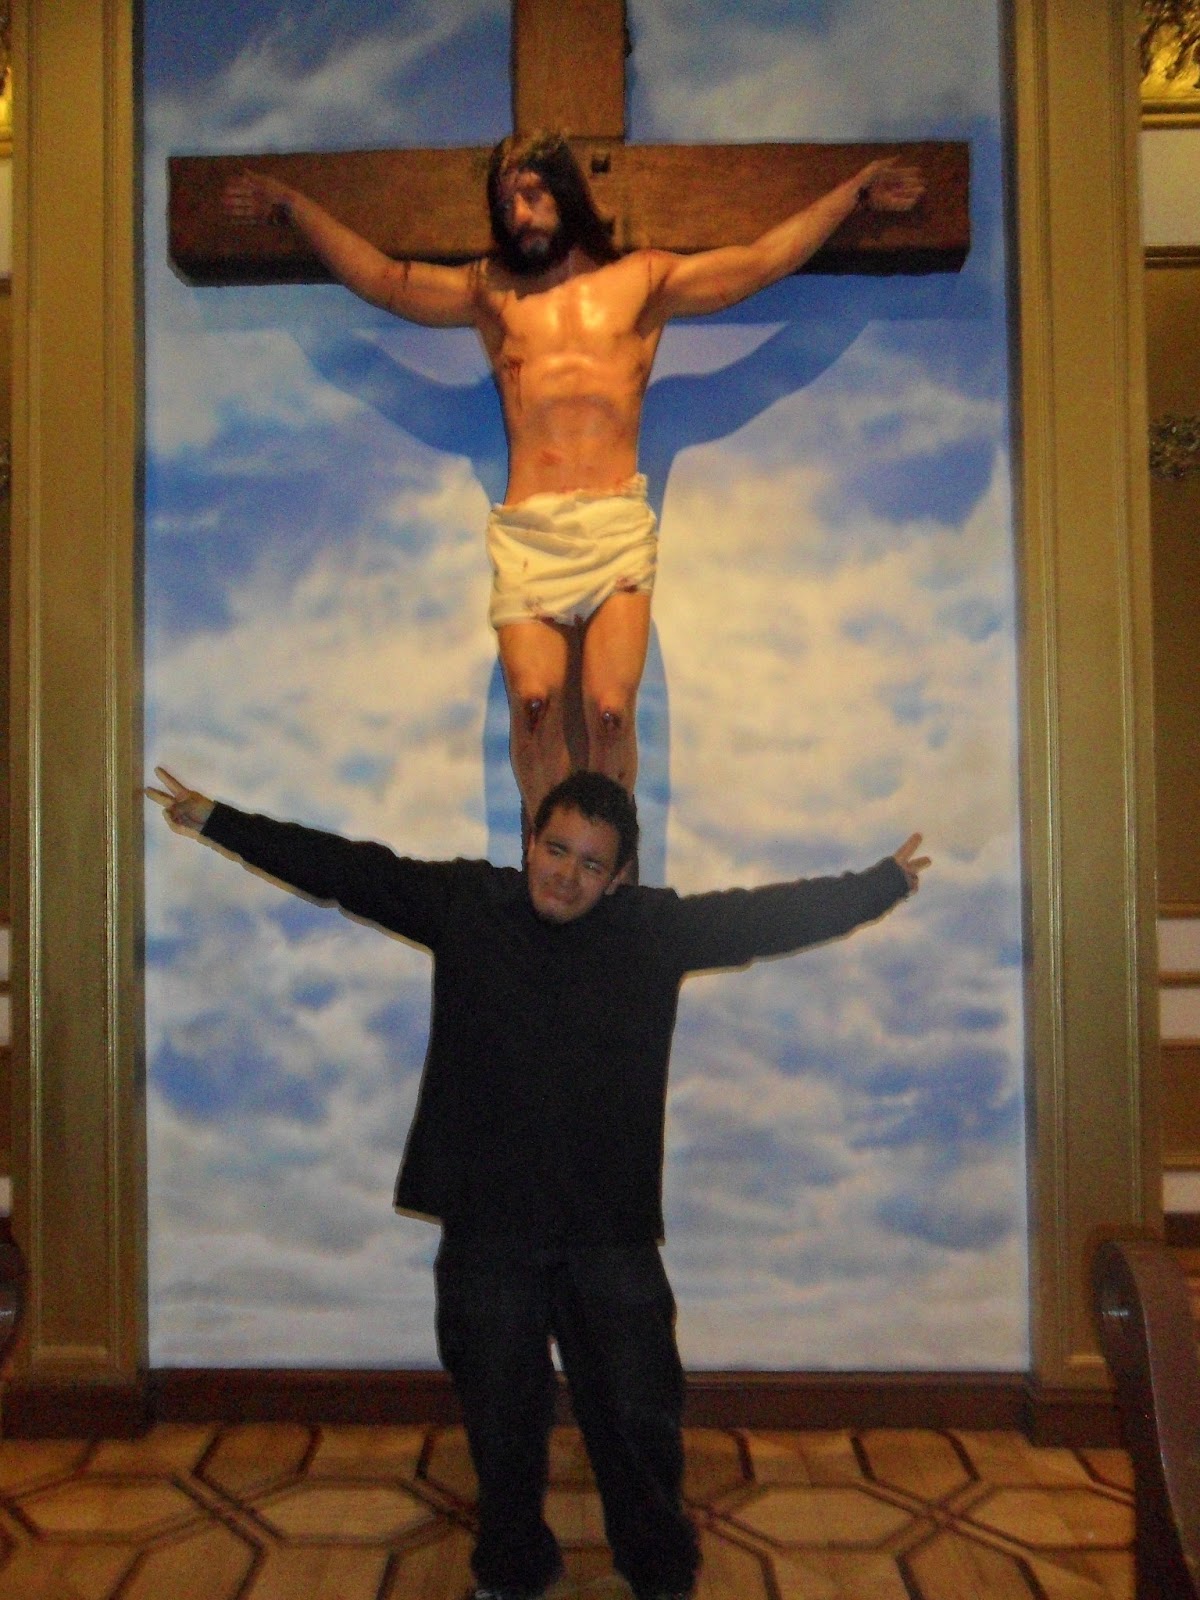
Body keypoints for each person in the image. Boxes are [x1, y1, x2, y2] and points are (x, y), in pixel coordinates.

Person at [147, 762, 930, 1600]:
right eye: (556, 850)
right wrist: (217, 819)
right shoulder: (468, 905)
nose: (566, 874)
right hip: (488, 1225)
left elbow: (767, 916)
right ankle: (514, 1572)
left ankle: (659, 1572)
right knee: (502, 1420)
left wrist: (881, 883)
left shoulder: (652, 931)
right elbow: (350, 871)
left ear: (618, 876)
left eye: (591, 863)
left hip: (609, 1228)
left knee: (638, 1414)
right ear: (530, 841)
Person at [222, 134, 923, 824]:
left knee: (611, 712)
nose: (521, 215)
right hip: (530, 532)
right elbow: (386, 280)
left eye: (532, 194)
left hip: (615, 524)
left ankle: (609, 866)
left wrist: (854, 195)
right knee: (532, 707)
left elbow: (761, 262)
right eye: (507, 204)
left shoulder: (642, 282)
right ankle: (547, 860)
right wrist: (291, 206)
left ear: (565, 191)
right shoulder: (492, 295)